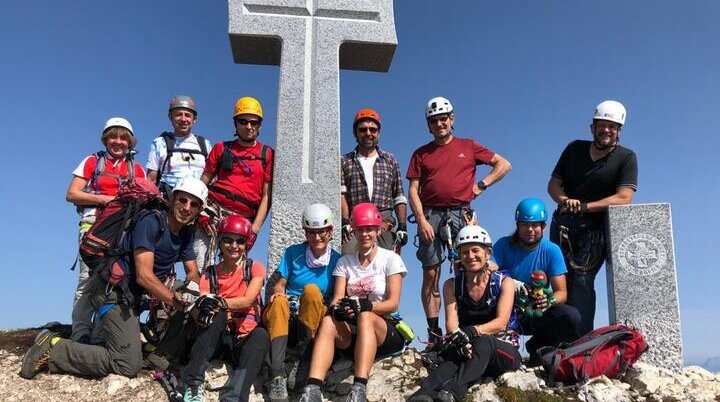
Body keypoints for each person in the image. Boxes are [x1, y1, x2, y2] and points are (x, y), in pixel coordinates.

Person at [21, 177, 206, 380]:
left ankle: (154, 353)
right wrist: (176, 301)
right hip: (111, 292)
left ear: (199, 210)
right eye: (182, 200)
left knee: (197, 301)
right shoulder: (151, 221)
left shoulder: (186, 233)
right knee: (127, 365)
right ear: (172, 200)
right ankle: (54, 348)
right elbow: (144, 276)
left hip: (130, 296)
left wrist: (194, 291)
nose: (186, 207)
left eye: (194, 204)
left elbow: (192, 272)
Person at [406, 96, 511, 349]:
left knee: (469, 266)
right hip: (430, 214)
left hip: (461, 213)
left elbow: (503, 164)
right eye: (434, 121)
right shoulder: (421, 153)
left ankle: (469, 328)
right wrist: (421, 221)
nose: (440, 124)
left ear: (452, 119)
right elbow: (413, 189)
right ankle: (434, 333)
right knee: (431, 272)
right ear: (429, 125)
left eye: (443, 119)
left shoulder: (469, 145)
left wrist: (480, 186)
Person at [299, 203, 408, 402]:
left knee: (366, 316)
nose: (365, 234)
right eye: (360, 230)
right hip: (354, 333)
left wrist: (367, 306)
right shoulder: (345, 262)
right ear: (354, 231)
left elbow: (393, 303)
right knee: (329, 321)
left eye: (369, 229)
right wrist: (337, 310)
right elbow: (338, 297)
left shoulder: (390, 259)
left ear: (378, 230)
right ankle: (312, 388)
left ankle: (359, 388)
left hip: (384, 330)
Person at [547, 100, 638, 334]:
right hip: (563, 225)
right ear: (592, 127)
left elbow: (624, 197)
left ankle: (581, 338)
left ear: (619, 130)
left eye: (612, 126)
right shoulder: (574, 149)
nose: (606, 130)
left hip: (594, 229)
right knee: (559, 280)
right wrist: (565, 201)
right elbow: (554, 184)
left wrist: (585, 206)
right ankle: (558, 338)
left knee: (582, 281)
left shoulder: (626, 157)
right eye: (602, 125)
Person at [409, 225, 521, 402]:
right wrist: (460, 339)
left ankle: (453, 392)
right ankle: (424, 392)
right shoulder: (452, 285)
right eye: (465, 252)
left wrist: (472, 332)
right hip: (470, 347)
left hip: (502, 350)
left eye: (476, 250)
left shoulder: (504, 282)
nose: (470, 256)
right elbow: (451, 323)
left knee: (484, 342)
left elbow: (501, 323)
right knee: (455, 356)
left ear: (488, 253)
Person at [65, 117, 146, 343]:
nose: (118, 141)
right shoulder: (92, 162)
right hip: (93, 226)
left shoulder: (137, 169)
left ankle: (101, 335)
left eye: (123, 137)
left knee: (111, 281)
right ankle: (80, 333)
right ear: (105, 139)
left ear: (130, 142)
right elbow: (72, 194)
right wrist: (105, 200)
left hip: (122, 231)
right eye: (113, 136)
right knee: (87, 278)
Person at [180, 215, 269, 402]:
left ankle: (236, 397)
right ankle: (192, 383)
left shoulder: (255, 268)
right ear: (220, 242)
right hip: (218, 339)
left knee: (261, 335)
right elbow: (204, 302)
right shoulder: (210, 274)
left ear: (246, 244)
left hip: (243, 340)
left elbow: (248, 300)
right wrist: (205, 304)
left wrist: (220, 302)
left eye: (240, 241)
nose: (234, 246)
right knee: (215, 310)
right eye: (228, 240)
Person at [263, 203, 342, 402]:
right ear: (305, 232)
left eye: (321, 232)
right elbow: (280, 284)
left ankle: (305, 359)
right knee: (278, 302)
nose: (316, 238)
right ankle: (277, 374)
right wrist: (280, 294)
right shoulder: (293, 253)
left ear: (330, 231)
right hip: (289, 312)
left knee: (312, 290)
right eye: (311, 233)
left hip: (314, 314)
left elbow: (336, 296)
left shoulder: (338, 261)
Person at [492, 198, 582, 365]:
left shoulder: (551, 250)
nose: (530, 229)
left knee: (571, 316)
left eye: (535, 225)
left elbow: (562, 293)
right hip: (506, 311)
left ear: (543, 227)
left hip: (536, 311)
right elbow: (489, 267)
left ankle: (538, 347)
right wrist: (509, 282)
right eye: (525, 224)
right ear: (518, 225)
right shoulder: (504, 245)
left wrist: (549, 301)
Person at [197, 96, 275, 272]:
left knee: (234, 270)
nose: (248, 126)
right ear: (235, 123)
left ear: (260, 125)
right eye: (243, 121)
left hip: (243, 218)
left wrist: (254, 230)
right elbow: (204, 181)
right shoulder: (221, 148)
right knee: (201, 261)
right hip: (213, 210)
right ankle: (197, 296)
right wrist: (199, 209)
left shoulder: (267, 154)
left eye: (254, 122)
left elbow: (267, 196)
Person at [341, 108, 408, 254]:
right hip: (355, 221)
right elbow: (342, 194)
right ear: (355, 133)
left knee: (388, 266)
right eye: (363, 130)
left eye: (373, 129)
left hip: (383, 222)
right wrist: (345, 222)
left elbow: (399, 196)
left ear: (379, 132)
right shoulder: (344, 161)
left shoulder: (390, 160)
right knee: (348, 262)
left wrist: (403, 226)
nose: (368, 133)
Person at [146, 95, 212, 199]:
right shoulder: (159, 143)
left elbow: (212, 177)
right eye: (178, 115)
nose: (183, 119)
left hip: (197, 200)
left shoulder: (205, 145)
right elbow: (151, 180)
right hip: (167, 200)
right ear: (170, 117)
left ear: (194, 119)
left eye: (188, 115)